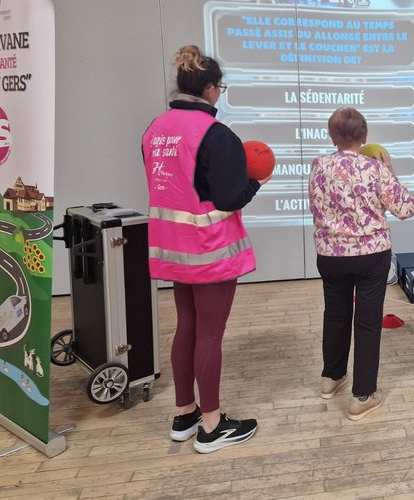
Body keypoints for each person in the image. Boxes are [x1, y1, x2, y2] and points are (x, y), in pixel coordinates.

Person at [141, 45, 268, 453]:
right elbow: (230, 197)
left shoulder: (155, 129)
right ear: (211, 89)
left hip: (172, 247)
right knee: (210, 334)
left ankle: (185, 414)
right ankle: (212, 427)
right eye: (220, 89)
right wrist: (256, 182)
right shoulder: (217, 135)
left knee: (187, 326)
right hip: (210, 250)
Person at [308, 107, 414, 421]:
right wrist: (390, 170)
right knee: (367, 322)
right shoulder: (375, 168)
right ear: (365, 136)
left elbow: (316, 206)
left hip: (330, 254)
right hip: (371, 254)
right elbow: (406, 208)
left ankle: (331, 378)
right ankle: (362, 395)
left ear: (332, 137)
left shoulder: (318, 165)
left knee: (335, 314)